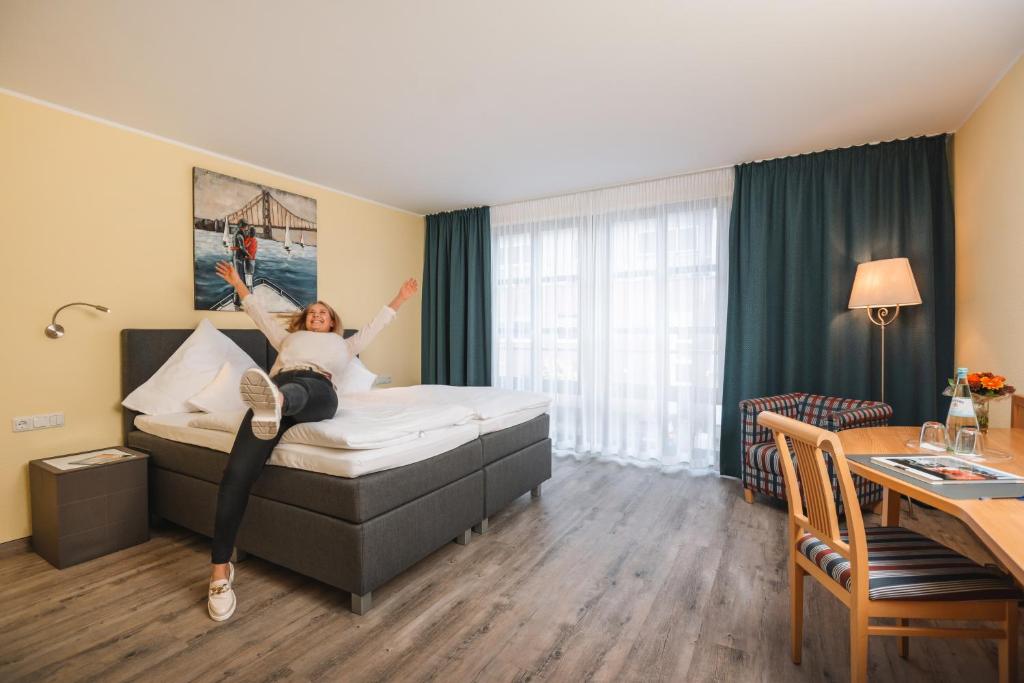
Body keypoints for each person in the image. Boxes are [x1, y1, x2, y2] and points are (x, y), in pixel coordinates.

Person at [207, 260, 419, 621]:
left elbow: (374, 326)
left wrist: (400, 298)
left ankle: (278, 402)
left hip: (316, 391)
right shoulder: (287, 339)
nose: (317, 315)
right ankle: (219, 572)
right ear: (304, 321)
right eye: (312, 313)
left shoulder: (343, 345)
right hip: (273, 390)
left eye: (324, 313)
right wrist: (239, 284)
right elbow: (259, 314)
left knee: (304, 389)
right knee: (235, 475)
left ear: (332, 322)